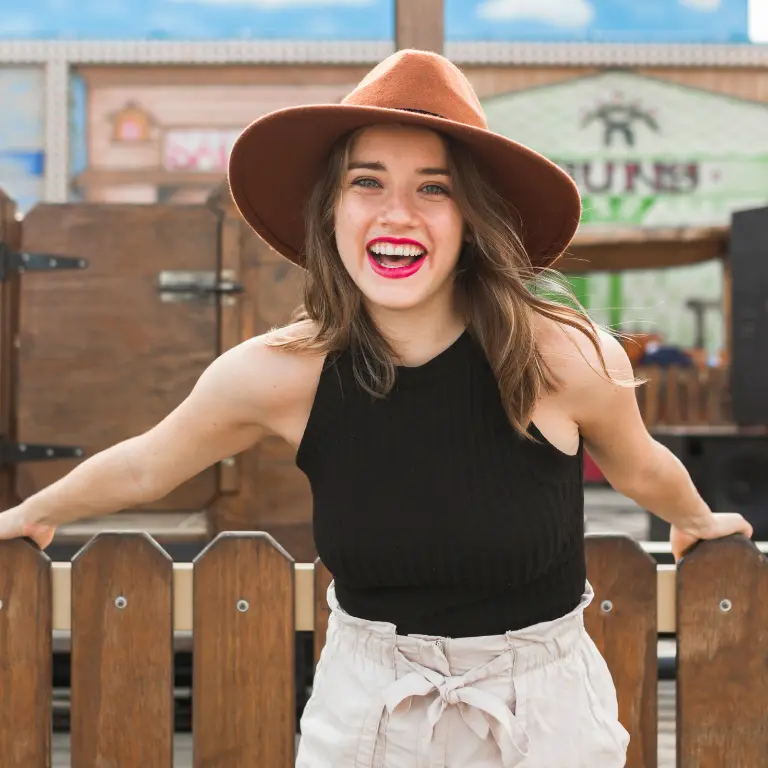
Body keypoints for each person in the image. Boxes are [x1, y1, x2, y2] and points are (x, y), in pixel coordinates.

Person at [0, 50, 752, 767]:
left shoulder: (562, 355)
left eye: (434, 187)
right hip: (368, 712)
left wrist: (695, 519)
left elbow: (640, 463)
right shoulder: (278, 374)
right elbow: (148, 463)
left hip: (543, 716)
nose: (398, 212)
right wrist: (35, 510)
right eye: (367, 182)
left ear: (472, 219)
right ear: (330, 209)